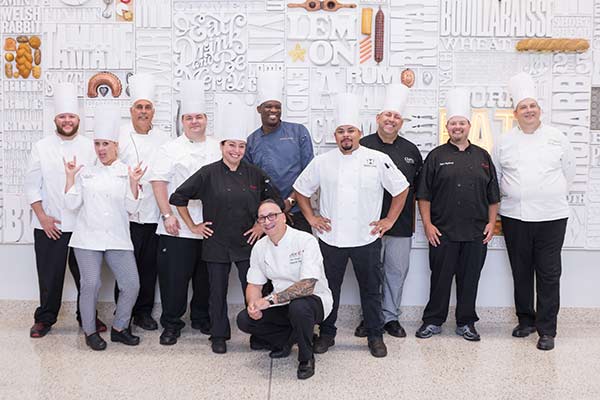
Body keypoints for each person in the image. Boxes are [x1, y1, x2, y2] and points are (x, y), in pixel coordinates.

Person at [293, 93, 409, 358]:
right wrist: (311, 217)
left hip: (366, 238)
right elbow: (300, 189)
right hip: (331, 239)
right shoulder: (323, 161)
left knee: (371, 290)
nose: (346, 135)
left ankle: (375, 335)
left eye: (351, 131)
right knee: (327, 290)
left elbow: (401, 189)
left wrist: (389, 220)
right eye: (341, 131)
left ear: (360, 132)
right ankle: (327, 334)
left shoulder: (377, 159)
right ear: (335, 136)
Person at [169, 121, 283, 354]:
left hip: (247, 242)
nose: (236, 151)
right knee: (216, 292)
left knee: (255, 289)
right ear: (222, 146)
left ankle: (259, 335)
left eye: (241, 146)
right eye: (232, 145)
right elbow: (178, 197)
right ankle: (218, 335)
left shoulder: (254, 173)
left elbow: (275, 201)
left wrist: (260, 226)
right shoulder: (208, 173)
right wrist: (193, 225)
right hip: (217, 242)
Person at [492, 72, 575, 351]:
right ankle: (525, 320)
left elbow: (569, 172)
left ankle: (547, 329)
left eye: (533, 106)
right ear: (515, 112)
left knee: (549, 273)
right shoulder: (504, 141)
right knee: (521, 271)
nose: (529, 111)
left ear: (540, 110)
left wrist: (548, 192)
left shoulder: (557, 137)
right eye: (523, 107)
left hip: (552, 216)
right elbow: (498, 175)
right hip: (515, 216)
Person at [415, 88, 500, 342]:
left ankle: (466, 323)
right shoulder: (436, 156)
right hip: (443, 232)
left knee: (470, 280)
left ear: (469, 126)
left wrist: (491, 223)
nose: (457, 127)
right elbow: (423, 195)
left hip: (475, 233)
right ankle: (432, 321)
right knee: (439, 279)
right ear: (447, 127)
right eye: (453, 123)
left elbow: (493, 196)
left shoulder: (483, 156)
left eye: (461, 123)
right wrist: (428, 225)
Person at [24, 82, 106, 338]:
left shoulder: (90, 147)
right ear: (56, 119)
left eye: (71, 116)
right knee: (50, 277)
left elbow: (97, 185)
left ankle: (87, 317)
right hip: (51, 225)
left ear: (78, 118)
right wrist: (43, 218)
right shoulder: (42, 146)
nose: (67, 120)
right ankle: (45, 318)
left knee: (87, 277)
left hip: (83, 225)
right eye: (62, 116)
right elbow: (31, 186)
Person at [64, 106, 144, 351]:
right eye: (97, 144)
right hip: (87, 239)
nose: (100, 149)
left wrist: (134, 183)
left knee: (131, 284)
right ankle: (89, 331)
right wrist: (69, 177)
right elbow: (71, 203)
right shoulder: (85, 172)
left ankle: (120, 327)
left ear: (116, 146)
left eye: (105, 144)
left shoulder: (127, 172)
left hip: (118, 238)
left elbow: (132, 208)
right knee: (90, 284)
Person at [149, 81, 221, 345]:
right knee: (174, 280)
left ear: (205, 119)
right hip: (177, 226)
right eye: (189, 118)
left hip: (210, 227)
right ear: (182, 121)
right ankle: (171, 323)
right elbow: (159, 183)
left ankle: (201, 318)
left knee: (205, 280)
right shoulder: (170, 148)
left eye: (198, 117)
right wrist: (167, 216)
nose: (194, 122)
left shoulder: (218, 147)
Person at [237, 199, 333, 380]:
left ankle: (306, 358)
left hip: (314, 300)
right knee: (244, 319)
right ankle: (289, 339)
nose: (267, 221)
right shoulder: (260, 247)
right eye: (262, 218)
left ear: (283, 217)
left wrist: (269, 300)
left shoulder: (305, 240)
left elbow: (307, 285)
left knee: (299, 307)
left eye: (272, 215)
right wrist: (253, 305)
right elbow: (254, 284)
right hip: (281, 303)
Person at [355, 83, 423, 339]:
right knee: (370, 274)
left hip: (401, 225)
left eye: (396, 117)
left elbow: (416, 190)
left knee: (396, 272)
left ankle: (391, 317)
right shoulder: (362, 145)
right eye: (387, 115)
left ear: (401, 121)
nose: (391, 120)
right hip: (368, 224)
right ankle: (369, 318)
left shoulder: (410, 151)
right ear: (378, 119)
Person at [116, 73, 170, 331]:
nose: (143, 111)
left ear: (153, 111)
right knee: (126, 267)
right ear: (131, 110)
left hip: (154, 213)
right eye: (139, 107)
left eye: (148, 107)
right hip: (126, 214)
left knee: (150, 267)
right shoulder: (119, 136)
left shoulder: (164, 138)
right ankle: (123, 313)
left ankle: (144, 312)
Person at [244, 70, 314, 233]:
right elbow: (249, 182)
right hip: (267, 215)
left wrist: (290, 201)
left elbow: (309, 172)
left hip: (297, 210)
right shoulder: (251, 141)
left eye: (277, 107)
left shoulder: (298, 132)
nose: (273, 111)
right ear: (259, 109)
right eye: (268, 106)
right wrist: (272, 209)